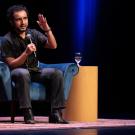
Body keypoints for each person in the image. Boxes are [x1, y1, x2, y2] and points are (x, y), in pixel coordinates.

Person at [1, 4, 68, 124]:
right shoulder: (7, 40)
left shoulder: (33, 33)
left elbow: (53, 46)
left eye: (25, 18)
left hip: (34, 70)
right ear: (11, 22)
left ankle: (55, 113)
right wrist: (26, 53)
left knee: (57, 73)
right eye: (18, 19)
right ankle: (27, 112)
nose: (23, 22)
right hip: (18, 71)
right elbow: (12, 64)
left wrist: (47, 29)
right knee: (23, 73)